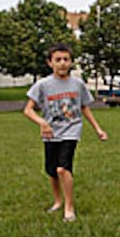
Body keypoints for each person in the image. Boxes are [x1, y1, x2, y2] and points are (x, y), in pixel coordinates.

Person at [23, 43, 108, 222]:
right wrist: (42, 122)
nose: (62, 63)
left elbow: (84, 108)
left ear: (71, 62)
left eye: (66, 59)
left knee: (63, 168)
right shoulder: (43, 85)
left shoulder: (77, 84)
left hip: (72, 130)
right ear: (50, 63)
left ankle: (69, 207)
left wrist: (98, 129)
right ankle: (58, 201)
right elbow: (28, 110)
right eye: (58, 60)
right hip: (51, 133)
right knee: (52, 170)